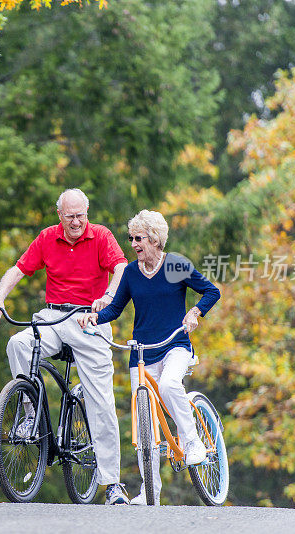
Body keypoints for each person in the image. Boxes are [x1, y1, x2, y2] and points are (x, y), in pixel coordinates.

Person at [0, 188, 130, 505]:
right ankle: (29, 414)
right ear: (59, 214)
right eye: (70, 216)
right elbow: (18, 269)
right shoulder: (48, 237)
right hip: (53, 316)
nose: (76, 222)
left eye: (81, 215)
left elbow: (120, 268)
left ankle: (113, 484)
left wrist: (108, 297)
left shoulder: (102, 236)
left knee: (100, 401)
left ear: (86, 213)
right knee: (18, 344)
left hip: (89, 319)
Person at [77, 209, 220, 506]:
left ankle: (192, 441)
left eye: (138, 238)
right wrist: (95, 318)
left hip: (175, 345)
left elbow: (210, 291)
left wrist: (194, 313)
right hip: (141, 353)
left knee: (169, 385)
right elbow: (115, 309)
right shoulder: (130, 272)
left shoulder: (174, 266)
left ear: (154, 239)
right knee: (145, 427)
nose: (133, 244)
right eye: (130, 238)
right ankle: (149, 491)